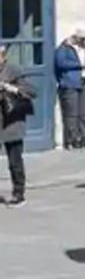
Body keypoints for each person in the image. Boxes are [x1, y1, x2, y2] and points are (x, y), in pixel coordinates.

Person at [0, 45, 36, 207]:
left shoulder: (13, 70)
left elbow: (32, 91)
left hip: (12, 122)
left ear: (3, 57)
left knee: (14, 160)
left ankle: (18, 193)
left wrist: (11, 88)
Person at [54, 28, 85, 148]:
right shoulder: (63, 48)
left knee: (83, 113)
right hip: (69, 83)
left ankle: (84, 138)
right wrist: (80, 65)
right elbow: (61, 63)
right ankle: (71, 140)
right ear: (75, 37)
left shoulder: (84, 48)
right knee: (71, 114)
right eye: (81, 39)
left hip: (83, 82)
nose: (84, 41)